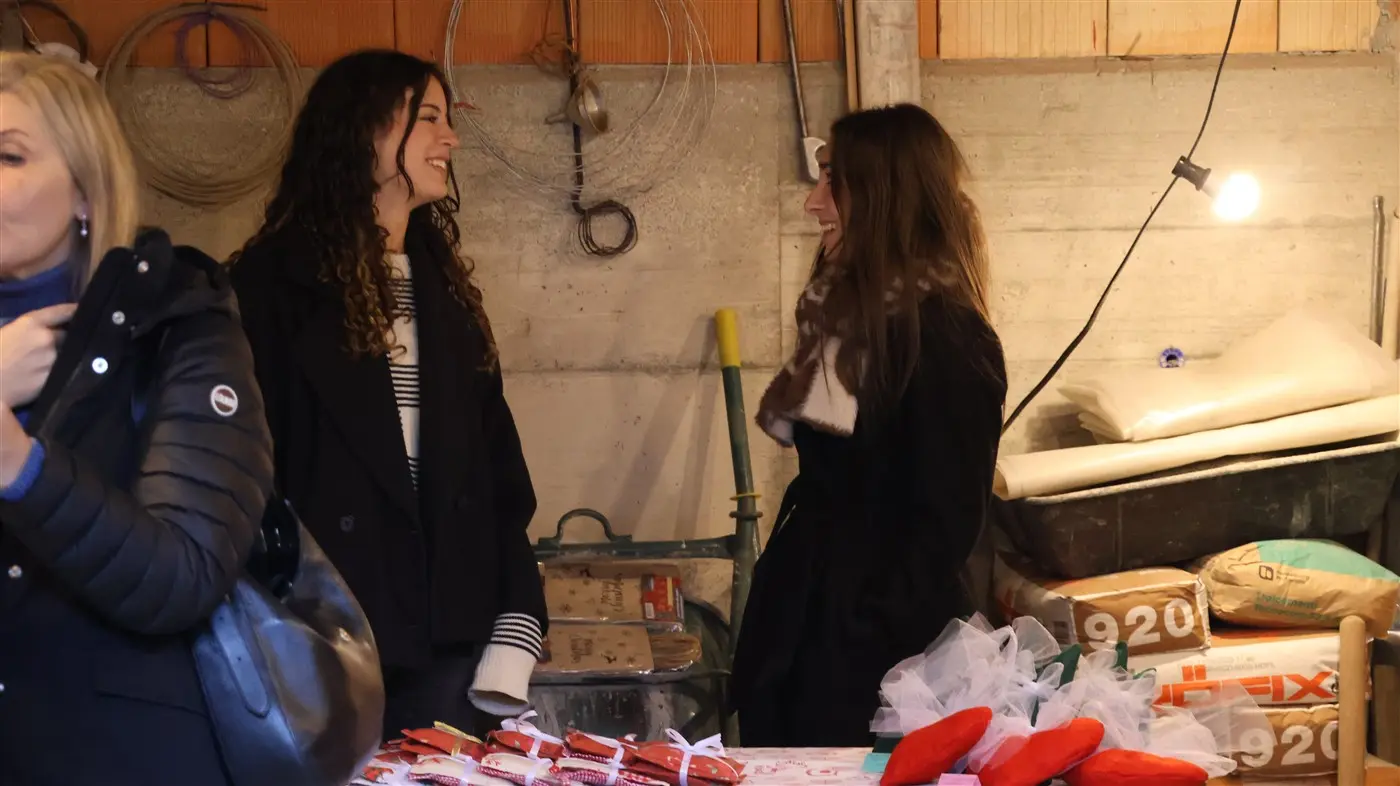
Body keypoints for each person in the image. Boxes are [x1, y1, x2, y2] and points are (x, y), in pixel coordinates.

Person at [228, 49, 546, 738]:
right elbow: (241, 478)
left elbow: (497, 476)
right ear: (363, 130)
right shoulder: (269, 290)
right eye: (428, 117)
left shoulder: (449, 297)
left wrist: (516, 625)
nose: (450, 138)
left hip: (447, 643)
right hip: (315, 644)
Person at [0, 53, 274, 784]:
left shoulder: (179, 325)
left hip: (118, 755)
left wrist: (18, 466)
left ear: (86, 191)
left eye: (8, 156)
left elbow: (183, 575)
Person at [730, 103, 1008, 747]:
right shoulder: (848, 326)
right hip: (806, 632)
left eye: (833, 180)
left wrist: (859, 640)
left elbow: (945, 529)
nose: (813, 203)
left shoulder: (947, 338)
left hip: (873, 669)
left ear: (885, 195)